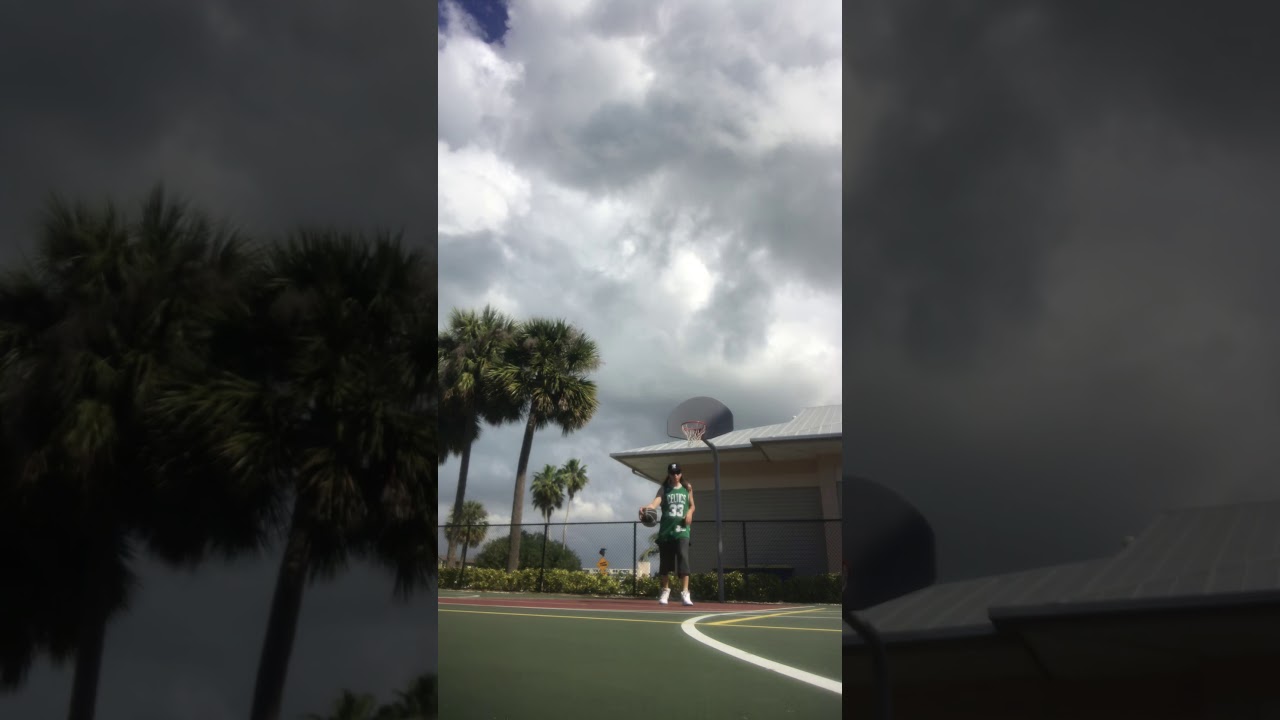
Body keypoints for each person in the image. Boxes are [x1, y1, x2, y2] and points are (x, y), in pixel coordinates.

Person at [640, 462, 695, 605]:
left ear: (681, 473)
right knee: (665, 564)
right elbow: (654, 504)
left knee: (683, 559)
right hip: (666, 531)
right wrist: (647, 508)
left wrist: (689, 513)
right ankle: (665, 591)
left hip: (682, 530)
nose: (675, 475)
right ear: (669, 474)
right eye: (672, 473)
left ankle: (685, 593)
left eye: (677, 473)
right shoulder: (664, 489)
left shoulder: (687, 488)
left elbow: (692, 505)